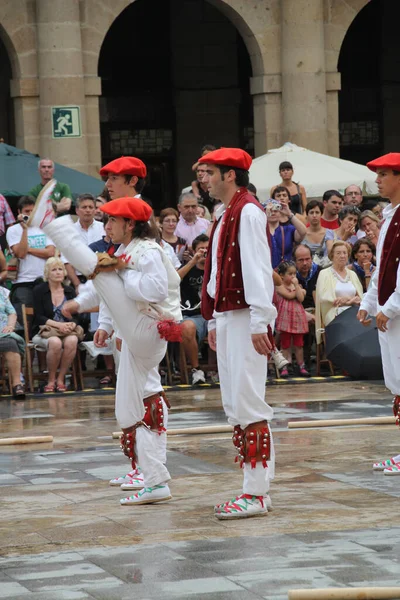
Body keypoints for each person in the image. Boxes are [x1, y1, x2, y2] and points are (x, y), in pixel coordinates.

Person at [199, 147, 277, 519]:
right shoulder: (225, 212)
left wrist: (262, 319)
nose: (206, 178)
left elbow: (258, 267)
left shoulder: (247, 210)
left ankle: (257, 493)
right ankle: (251, 488)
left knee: (248, 400)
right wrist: (213, 317)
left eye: (211, 172)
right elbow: (216, 272)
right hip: (230, 315)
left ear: (230, 175)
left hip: (247, 315)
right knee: (234, 401)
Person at [357, 153, 400, 476]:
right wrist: (368, 302)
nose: (377, 180)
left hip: (398, 310)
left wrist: (390, 306)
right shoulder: (388, 216)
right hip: (389, 308)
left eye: (384, 174)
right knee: (396, 380)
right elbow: (383, 265)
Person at [6, 195, 55, 328]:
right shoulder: (13, 230)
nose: (30, 214)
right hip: (22, 283)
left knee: (46, 319)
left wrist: (29, 249)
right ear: (19, 212)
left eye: (33, 211)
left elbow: (50, 253)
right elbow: (21, 254)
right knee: (25, 322)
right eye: (27, 211)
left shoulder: (44, 228)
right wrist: (25, 230)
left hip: (44, 280)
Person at [32, 258, 79, 392]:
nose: (58, 272)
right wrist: (59, 325)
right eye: (54, 270)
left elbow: (77, 317)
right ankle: (51, 379)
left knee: (72, 340)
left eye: (60, 269)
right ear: (47, 273)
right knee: (55, 343)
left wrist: (72, 324)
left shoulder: (69, 291)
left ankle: (61, 378)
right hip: (45, 330)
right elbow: (39, 317)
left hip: (67, 330)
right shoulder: (39, 290)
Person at [315, 241, 363, 344]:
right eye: (338, 253)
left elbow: (360, 297)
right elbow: (323, 297)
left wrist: (349, 301)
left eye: (344, 253)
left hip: (354, 312)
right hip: (334, 314)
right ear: (332, 256)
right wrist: (348, 302)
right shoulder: (324, 274)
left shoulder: (352, 274)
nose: (342, 256)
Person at [178, 234, 209, 385]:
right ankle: (196, 370)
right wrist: (192, 262)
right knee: (186, 327)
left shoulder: (218, 267)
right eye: (201, 249)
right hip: (193, 315)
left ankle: (222, 370)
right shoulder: (188, 268)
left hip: (215, 315)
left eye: (207, 249)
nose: (204, 252)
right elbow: (174, 279)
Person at [65, 194, 106, 292]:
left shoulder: (104, 229)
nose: (88, 210)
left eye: (91, 207)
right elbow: (66, 262)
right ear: (77, 210)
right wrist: (77, 285)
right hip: (79, 279)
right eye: (84, 207)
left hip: (102, 279)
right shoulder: (70, 231)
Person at [275, 261, 309, 377]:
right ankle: (285, 366)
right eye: (290, 274)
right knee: (285, 344)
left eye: (294, 274)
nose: (293, 276)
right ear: (282, 275)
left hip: (297, 319)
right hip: (285, 319)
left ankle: (301, 365)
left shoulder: (296, 286)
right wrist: (299, 290)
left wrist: (297, 288)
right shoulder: (279, 286)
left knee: (299, 344)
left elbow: (300, 298)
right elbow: (289, 296)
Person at [267, 191, 307, 268]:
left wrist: (289, 214)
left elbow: (303, 232)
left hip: (286, 272)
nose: (273, 213)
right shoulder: (261, 231)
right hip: (267, 271)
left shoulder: (288, 229)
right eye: (270, 211)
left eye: (276, 210)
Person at [0, 286, 25, 398]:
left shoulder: (1, 291)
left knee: (10, 343)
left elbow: (12, 313)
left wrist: (10, 325)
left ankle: (17, 384)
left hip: (2, 331)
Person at [294, 245, 321, 310]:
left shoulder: (320, 272)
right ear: (295, 261)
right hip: (298, 311)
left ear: (311, 258)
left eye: (307, 259)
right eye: (301, 260)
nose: (305, 263)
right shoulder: (291, 275)